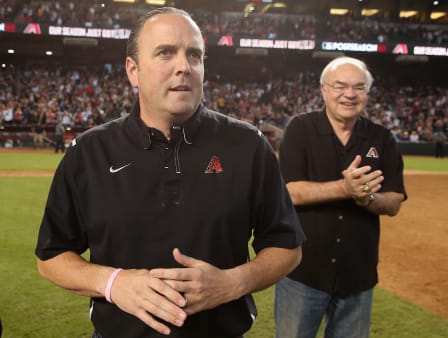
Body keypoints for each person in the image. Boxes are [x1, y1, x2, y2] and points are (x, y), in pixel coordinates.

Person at [35, 7, 305, 338]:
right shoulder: (88, 152)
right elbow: (51, 256)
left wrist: (233, 282)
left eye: (194, 55)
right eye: (165, 53)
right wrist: (113, 283)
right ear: (133, 71)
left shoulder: (248, 145)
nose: (184, 67)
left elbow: (287, 246)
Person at [274, 56, 407, 338]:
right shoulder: (300, 129)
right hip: (303, 272)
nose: (349, 94)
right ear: (324, 89)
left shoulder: (382, 138)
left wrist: (368, 200)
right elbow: (288, 193)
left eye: (359, 87)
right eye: (341, 86)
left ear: (367, 94)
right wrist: (345, 189)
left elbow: (394, 201)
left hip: (358, 276)